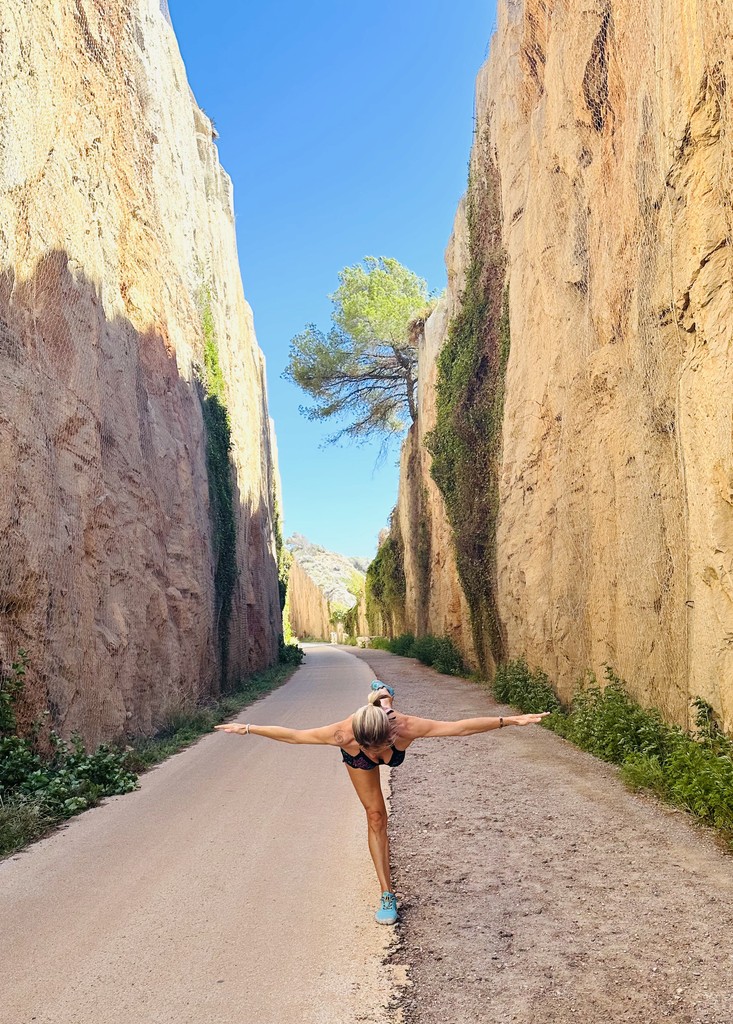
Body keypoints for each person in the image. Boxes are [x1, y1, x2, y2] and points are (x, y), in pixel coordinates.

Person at [215, 681, 549, 925]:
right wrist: (248, 728)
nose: (376, 756)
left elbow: (459, 728)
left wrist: (511, 720)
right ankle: (387, 893)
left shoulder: (406, 726)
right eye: (369, 749)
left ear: (391, 735)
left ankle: (382, 695)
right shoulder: (342, 735)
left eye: (379, 749)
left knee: (384, 703)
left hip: (386, 715)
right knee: (376, 817)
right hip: (355, 757)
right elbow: (293, 735)